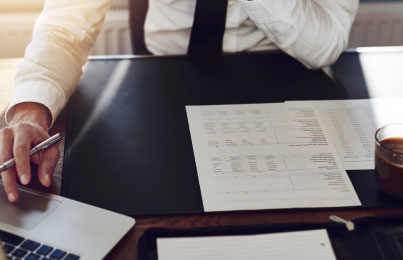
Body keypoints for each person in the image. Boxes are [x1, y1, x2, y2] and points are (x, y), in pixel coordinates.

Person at [0, 0, 359, 202]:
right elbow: (66, 26)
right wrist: (32, 109)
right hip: (158, 85)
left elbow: (324, 43)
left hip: (284, 82)